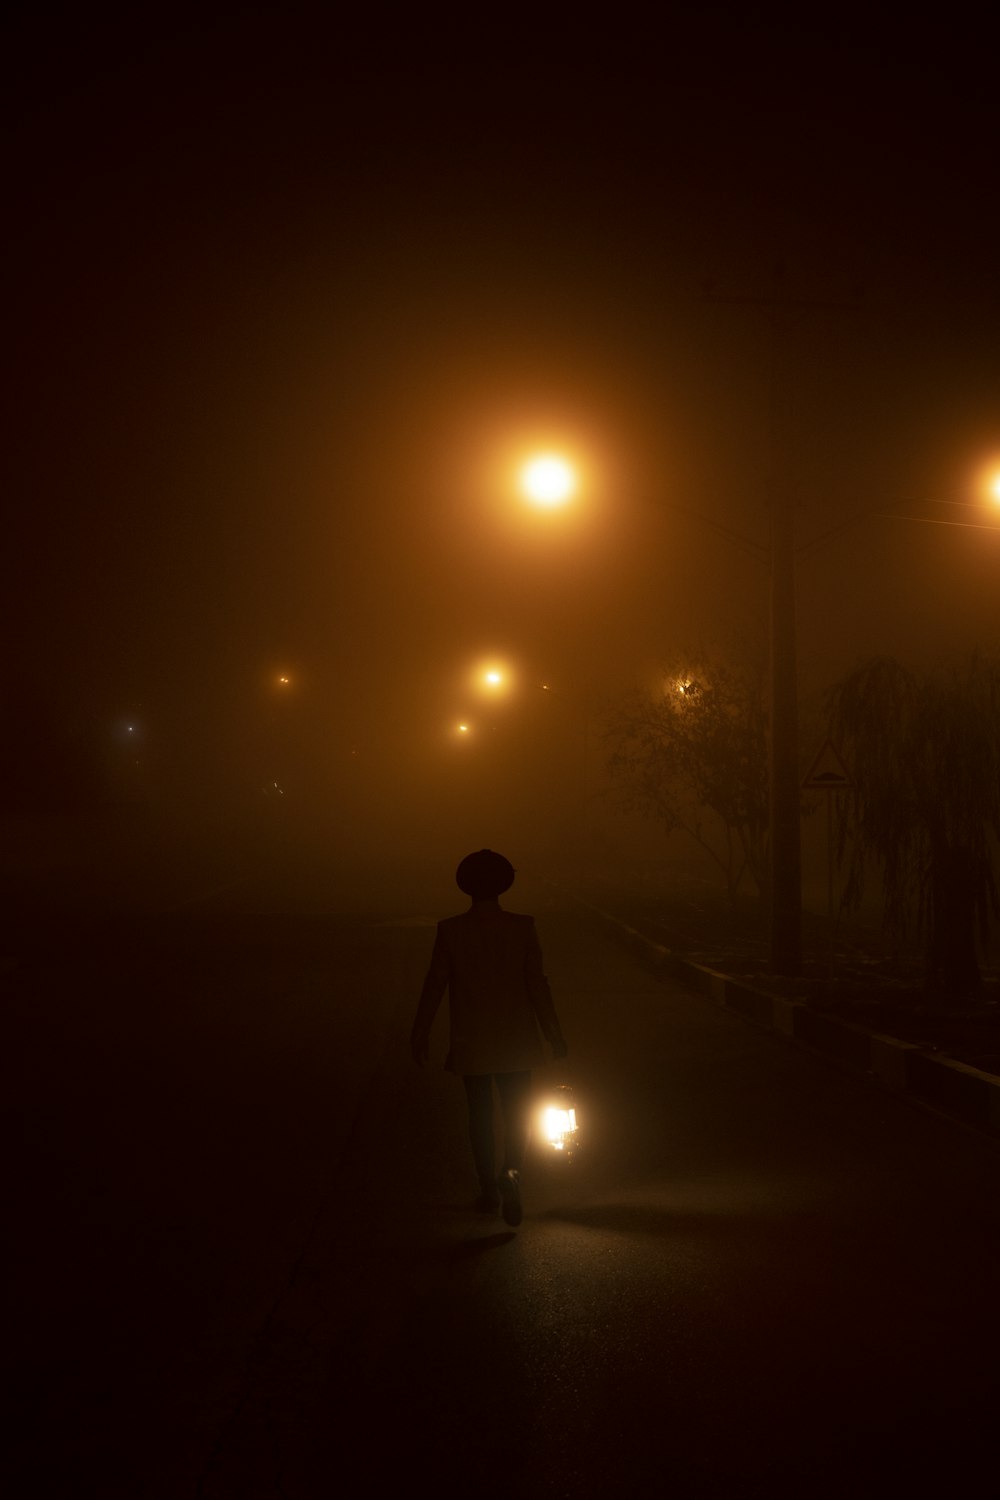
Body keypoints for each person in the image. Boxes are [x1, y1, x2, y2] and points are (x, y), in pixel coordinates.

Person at [410, 849, 568, 1226]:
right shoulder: (522, 926)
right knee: (517, 1114)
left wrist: (421, 1031)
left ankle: (488, 1190)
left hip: (472, 1041)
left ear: (465, 885)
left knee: (479, 1116)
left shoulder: (450, 930)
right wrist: (554, 1033)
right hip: (517, 1039)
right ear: (503, 885)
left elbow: (435, 984)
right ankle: (511, 1174)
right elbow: (537, 985)